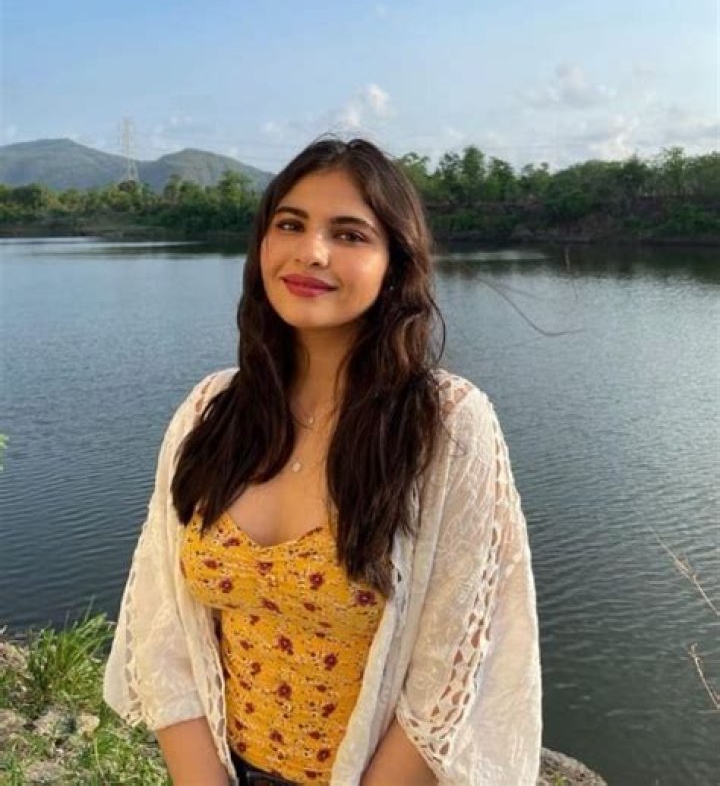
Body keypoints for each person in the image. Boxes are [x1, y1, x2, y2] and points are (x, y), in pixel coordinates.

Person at [103, 136, 542, 786]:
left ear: (395, 264)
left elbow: (449, 676)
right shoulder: (210, 410)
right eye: (290, 224)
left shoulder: (446, 426)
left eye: (349, 234)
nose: (311, 251)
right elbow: (160, 625)